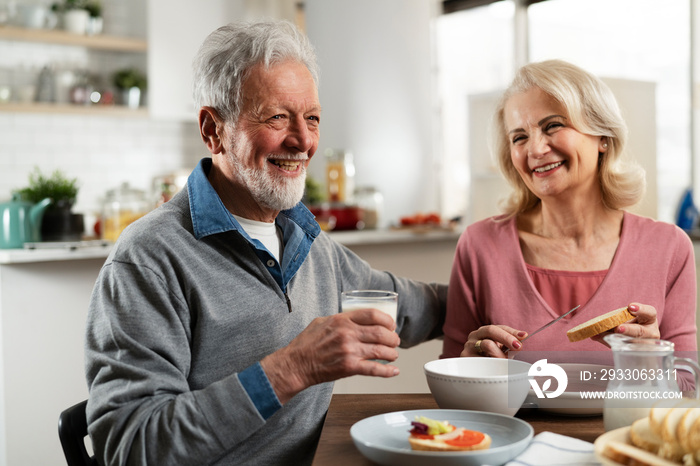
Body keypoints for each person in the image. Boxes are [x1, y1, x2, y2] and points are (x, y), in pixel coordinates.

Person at [84, 20, 446, 466]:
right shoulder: (149, 259)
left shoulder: (303, 235)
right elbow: (130, 447)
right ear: (213, 130)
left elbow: (402, 305)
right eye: (277, 117)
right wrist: (292, 369)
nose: (303, 141)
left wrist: (495, 295)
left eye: (311, 118)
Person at [442, 59, 696, 361]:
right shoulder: (479, 245)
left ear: (602, 136)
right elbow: (453, 382)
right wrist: (468, 368)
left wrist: (651, 365)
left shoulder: (668, 248)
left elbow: (687, 387)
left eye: (553, 126)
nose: (535, 150)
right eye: (519, 137)